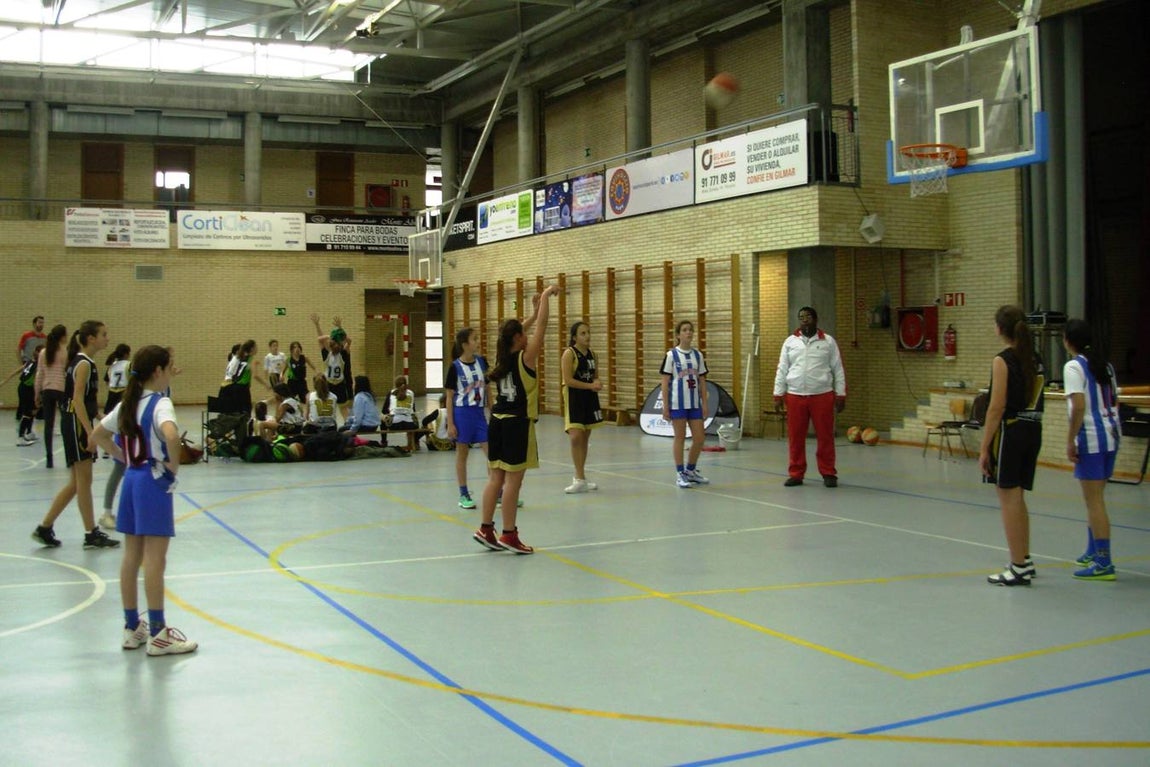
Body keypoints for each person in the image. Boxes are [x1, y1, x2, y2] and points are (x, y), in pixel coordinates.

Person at [90, 345, 197, 655]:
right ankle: (159, 633)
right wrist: (172, 469)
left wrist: (122, 456)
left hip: (132, 480)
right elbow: (172, 436)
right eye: (170, 367)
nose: (172, 372)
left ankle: (131, 627)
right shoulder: (160, 404)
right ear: (158, 372)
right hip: (152, 482)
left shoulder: (128, 403)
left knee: (131, 557)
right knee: (155, 559)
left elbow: (97, 434)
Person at [473, 285, 559, 554]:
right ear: (520, 338)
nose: (529, 334)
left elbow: (517, 329)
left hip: (496, 421)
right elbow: (543, 327)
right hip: (516, 424)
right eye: (525, 333)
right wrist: (545, 298)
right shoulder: (526, 358)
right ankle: (509, 534)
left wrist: (530, 315)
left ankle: (486, 528)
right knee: (513, 482)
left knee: (495, 479)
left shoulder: (503, 356)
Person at [31, 320, 119, 549]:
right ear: (91, 338)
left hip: (75, 421)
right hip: (75, 423)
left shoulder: (82, 362)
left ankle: (44, 527)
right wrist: (91, 434)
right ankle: (91, 533)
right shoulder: (83, 364)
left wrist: (100, 418)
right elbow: (77, 400)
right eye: (104, 334)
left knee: (76, 483)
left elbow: (83, 401)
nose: (107, 338)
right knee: (84, 482)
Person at [979, 305, 1045, 586]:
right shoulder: (1035, 357)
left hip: (1012, 429)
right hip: (1034, 429)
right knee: (1018, 497)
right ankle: (1024, 559)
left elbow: (997, 406)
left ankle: (1017, 565)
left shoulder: (1003, 360)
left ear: (1000, 328)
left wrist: (984, 447)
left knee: (1008, 497)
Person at [1062, 318, 1120, 581]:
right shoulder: (1105, 365)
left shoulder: (1074, 367)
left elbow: (1079, 406)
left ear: (1067, 341)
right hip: (1111, 436)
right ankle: (1092, 549)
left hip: (1092, 439)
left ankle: (1104, 562)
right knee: (1095, 499)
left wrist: (1071, 439)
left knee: (1094, 502)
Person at [773, 306, 847, 488]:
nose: (804, 319)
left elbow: (838, 368)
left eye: (807, 316)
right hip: (795, 395)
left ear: (815, 319)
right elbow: (782, 368)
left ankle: (828, 472)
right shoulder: (790, 342)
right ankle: (796, 473)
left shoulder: (828, 342)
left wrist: (841, 393)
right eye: (801, 317)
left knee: (825, 436)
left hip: (822, 395)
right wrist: (778, 393)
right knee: (796, 437)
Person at [661, 319, 711, 489]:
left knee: (699, 438)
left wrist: (704, 404)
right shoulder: (671, 356)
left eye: (690, 329)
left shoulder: (698, 355)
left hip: (694, 403)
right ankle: (680, 472)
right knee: (680, 438)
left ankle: (690, 470)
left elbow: (702, 381)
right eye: (684, 330)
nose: (688, 332)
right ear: (678, 335)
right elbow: (665, 382)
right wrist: (665, 406)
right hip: (678, 404)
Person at [445, 327, 490, 508]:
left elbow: (487, 389)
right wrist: (450, 423)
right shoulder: (455, 367)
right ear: (464, 345)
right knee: (462, 454)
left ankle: (498, 492)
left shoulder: (482, 362)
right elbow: (449, 396)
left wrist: (492, 410)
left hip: (479, 414)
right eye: (474, 339)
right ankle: (463, 494)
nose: (477, 342)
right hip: (462, 413)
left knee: (491, 453)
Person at [561, 320, 604, 493]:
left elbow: (595, 376)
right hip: (574, 397)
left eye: (588, 332)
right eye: (583, 333)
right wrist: (589, 386)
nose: (587, 336)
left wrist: (597, 382)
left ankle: (581, 477)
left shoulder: (593, 354)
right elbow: (568, 380)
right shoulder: (569, 354)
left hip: (589, 398)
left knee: (585, 437)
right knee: (575, 437)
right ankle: (578, 478)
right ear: (574, 337)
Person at [34, 324, 69, 467]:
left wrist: (37, 393)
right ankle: (68, 457)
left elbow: (39, 374)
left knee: (48, 424)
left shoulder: (43, 352)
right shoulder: (65, 352)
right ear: (62, 337)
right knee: (65, 423)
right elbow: (67, 374)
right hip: (61, 390)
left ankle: (49, 458)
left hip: (47, 390)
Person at [311, 314, 352, 418]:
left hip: (340, 384)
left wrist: (340, 329)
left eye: (338, 344)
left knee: (343, 408)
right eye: (333, 344)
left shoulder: (343, 354)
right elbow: (320, 339)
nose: (336, 345)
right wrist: (317, 325)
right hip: (328, 383)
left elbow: (349, 340)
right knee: (326, 406)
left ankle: (348, 426)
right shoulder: (326, 354)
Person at [218, 339, 268, 413]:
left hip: (233, 386)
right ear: (252, 348)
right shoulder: (250, 359)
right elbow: (255, 375)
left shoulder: (240, 358)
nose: (257, 348)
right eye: (256, 346)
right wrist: (266, 384)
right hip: (241, 388)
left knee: (237, 411)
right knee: (246, 410)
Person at [2, 355, 38, 446]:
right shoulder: (37, 365)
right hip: (27, 389)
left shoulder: (30, 362)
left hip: (24, 388)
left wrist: (5, 381)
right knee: (27, 412)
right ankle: (20, 437)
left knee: (34, 410)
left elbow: (17, 371)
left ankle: (29, 432)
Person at [104, 343, 132, 414]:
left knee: (110, 416)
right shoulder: (129, 364)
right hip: (124, 393)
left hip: (111, 395)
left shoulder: (112, 365)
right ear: (126, 354)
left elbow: (107, 381)